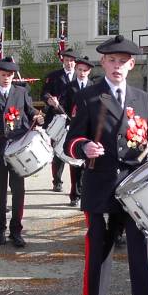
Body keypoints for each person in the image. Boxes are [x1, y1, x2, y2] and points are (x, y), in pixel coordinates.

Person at [63, 34, 148, 295]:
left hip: (136, 190)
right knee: (98, 256)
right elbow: (70, 140)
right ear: (103, 63)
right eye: (111, 61)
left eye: (123, 61)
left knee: (143, 258)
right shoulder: (89, 97)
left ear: (132, 65)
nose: (117, 66)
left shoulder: (142, 98)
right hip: (101, 187)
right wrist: (84, 147)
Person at [0, 56, 43, 248]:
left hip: (18, 148)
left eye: (10, 75)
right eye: (3, 75)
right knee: (0, 191)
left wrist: (38, 117)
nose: (6, 78)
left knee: (19, 190)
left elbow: (30, 112)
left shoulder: (21, 92)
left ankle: (16, 230)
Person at [55, 55, 94, 207]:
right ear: (76, 69)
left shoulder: (93, 86)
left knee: (87, 164)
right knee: (75, 163)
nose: (82, 73)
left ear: (89, 71)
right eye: (79, 69)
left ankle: (86, 194)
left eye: (85, 70)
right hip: (75, 127)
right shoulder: (69, 86)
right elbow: (64, 105)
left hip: (90, 128)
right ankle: (75, 195)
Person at [43, 48, 78, 193]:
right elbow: (44, 93)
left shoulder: (80, 76)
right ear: (62, 60)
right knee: (58, 151)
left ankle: (75, 188)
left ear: (75, 62)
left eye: (71, 60)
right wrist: (50, 100)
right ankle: (57, 181)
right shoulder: (54, 76)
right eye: (66, 60)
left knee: (73, 151)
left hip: (74, 119)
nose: (69, 63)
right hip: (57, 117)